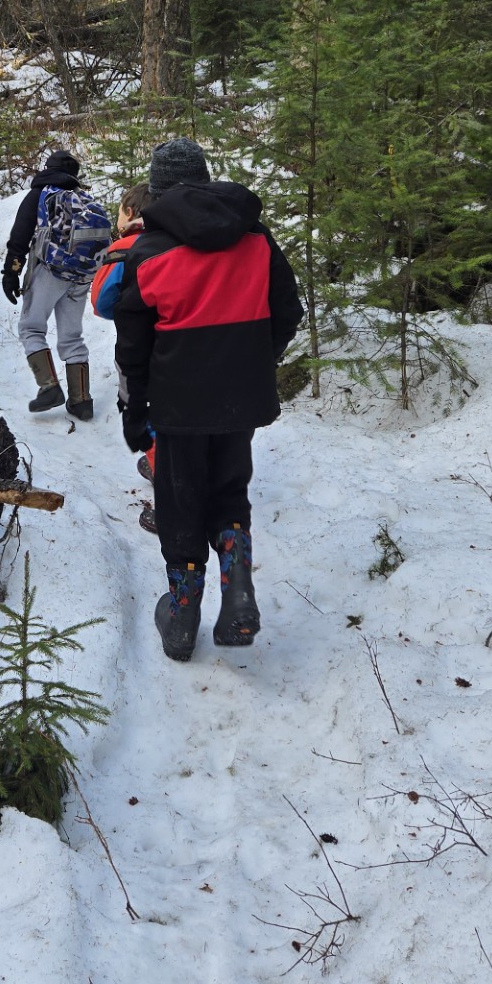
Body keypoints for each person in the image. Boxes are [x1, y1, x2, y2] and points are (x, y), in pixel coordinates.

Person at [113, 137, 303, 662]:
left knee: (180, 504)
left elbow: (132, 349)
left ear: (156, 190)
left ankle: (182, 617)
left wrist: (134, 410)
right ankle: (238, 593)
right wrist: (254, 359)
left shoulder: (148, 252)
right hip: (241, 399)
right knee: (229, 490)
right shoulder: (255, 237)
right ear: (204, 178)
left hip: (178, 406)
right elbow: (288, 311)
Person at [2, 150, 112, 418]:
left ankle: (49, 387)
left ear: (48, 168)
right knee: (72, 336)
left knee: (30, 327)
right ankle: (81, 401)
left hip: (49, 271)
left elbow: (20, 234)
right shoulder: (82, 199)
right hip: (80, 275)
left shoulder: (40, 194)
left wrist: (11, 272)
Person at [89, 184, 155, 482]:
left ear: (129, 212)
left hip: (140, 345)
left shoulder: (124, 248)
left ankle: (163, 471)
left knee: (146, 407)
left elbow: (101, 302)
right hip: (193, 342)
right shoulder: (185, 239)